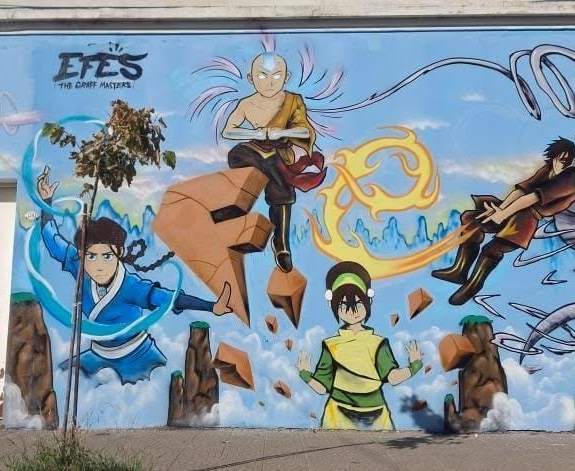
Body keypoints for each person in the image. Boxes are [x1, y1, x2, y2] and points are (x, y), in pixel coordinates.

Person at [36, 166, 233, 384]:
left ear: (119, 253)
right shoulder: (80, 268)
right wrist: (46, 202)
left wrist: (211, 307)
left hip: (139, 357)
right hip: (98, 355)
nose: (98, 265)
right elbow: (53, 241)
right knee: (64, 374)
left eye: (106, 256)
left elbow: (170, 298)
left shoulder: (131, 286)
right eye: (90, 256)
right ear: (82, 255)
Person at [432, 137, 575, 305]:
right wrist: (501, 209)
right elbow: (522, 190)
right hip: (513, 209)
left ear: (574, 163)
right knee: (471, 220)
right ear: (554, 158)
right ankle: (459, 270)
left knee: (493, 249)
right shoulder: (548, 169)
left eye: (567, 162)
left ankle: (474, 285)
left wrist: (503, 214)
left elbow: (532, 198)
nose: (561, 165)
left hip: (526, 218)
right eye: (560, 160)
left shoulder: (571, 177)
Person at [221, 52, 328, 272]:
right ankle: (233, 216)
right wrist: (257, 134)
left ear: (286, 77)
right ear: (251, 79)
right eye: (262, 76)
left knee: (282, 187)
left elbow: (304, 130)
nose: (269, 82)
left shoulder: (292, 101)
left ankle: (281, 244)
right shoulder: (246, 104)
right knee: (245, 161)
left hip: (279, 154)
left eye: (276, 76)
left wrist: (281, 133)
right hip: (253, 150)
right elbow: (228, 131)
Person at [296, 261, 424, 430]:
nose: (352, 310)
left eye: (357, 304)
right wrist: (305, 374)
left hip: (376, 414)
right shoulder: (331, 345)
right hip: (337, 413)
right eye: (344, 305)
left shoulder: (378, 343)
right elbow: (322, 387)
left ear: (368, 301)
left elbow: (392, 377)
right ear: (332, 305)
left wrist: (414, 366)